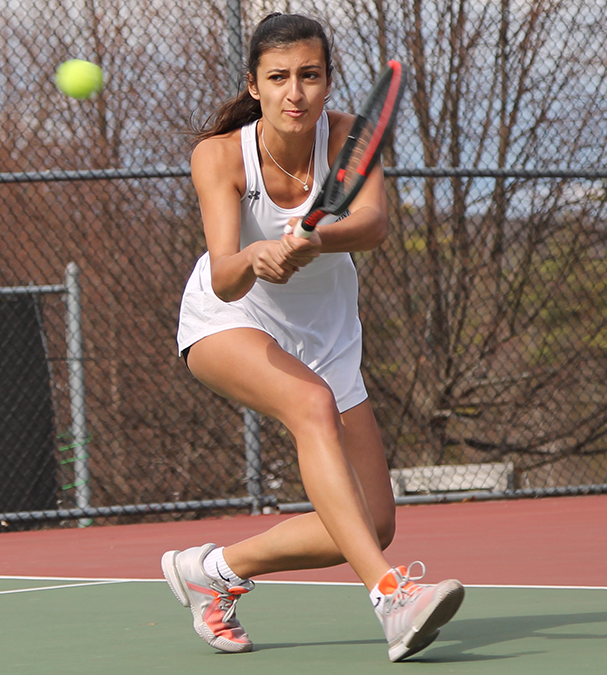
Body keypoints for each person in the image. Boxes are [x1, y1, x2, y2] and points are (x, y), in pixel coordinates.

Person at [161, 13, 463, 663]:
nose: (294, 92)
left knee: (372, 522)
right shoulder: (219, 156)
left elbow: (374, 224)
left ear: (328, 83)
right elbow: (225, 274)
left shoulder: (352, 138)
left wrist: (313, 238)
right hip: (227, 320)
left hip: (327, 332)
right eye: (278, 78)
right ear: (254, 85)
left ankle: (212, 570)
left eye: (309, 75)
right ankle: (390, 596)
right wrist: (262, 254)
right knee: (311, 406)